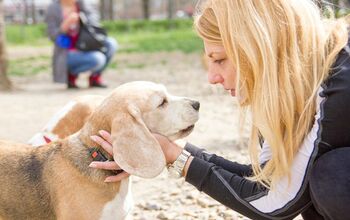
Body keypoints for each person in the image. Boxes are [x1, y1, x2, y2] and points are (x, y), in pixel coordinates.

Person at [89, 0, 350, 219]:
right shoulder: (296, 89)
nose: (212, 77)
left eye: (220, 59)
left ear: (259, 47)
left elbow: (279, 205)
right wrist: (171, 152)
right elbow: (267, 182)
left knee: (332, 177)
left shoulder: (337, 87)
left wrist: (178, 161)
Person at [45, 0, 118, 89]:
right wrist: (65, 25)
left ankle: (95, 78)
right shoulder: (53, 8)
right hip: (67, 52)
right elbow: (52, 36)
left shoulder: (83, 4)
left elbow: (95, 24)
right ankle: (71, 75)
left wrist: (82, 19)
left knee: (111, 43)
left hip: (87, 44)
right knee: (98, 59)